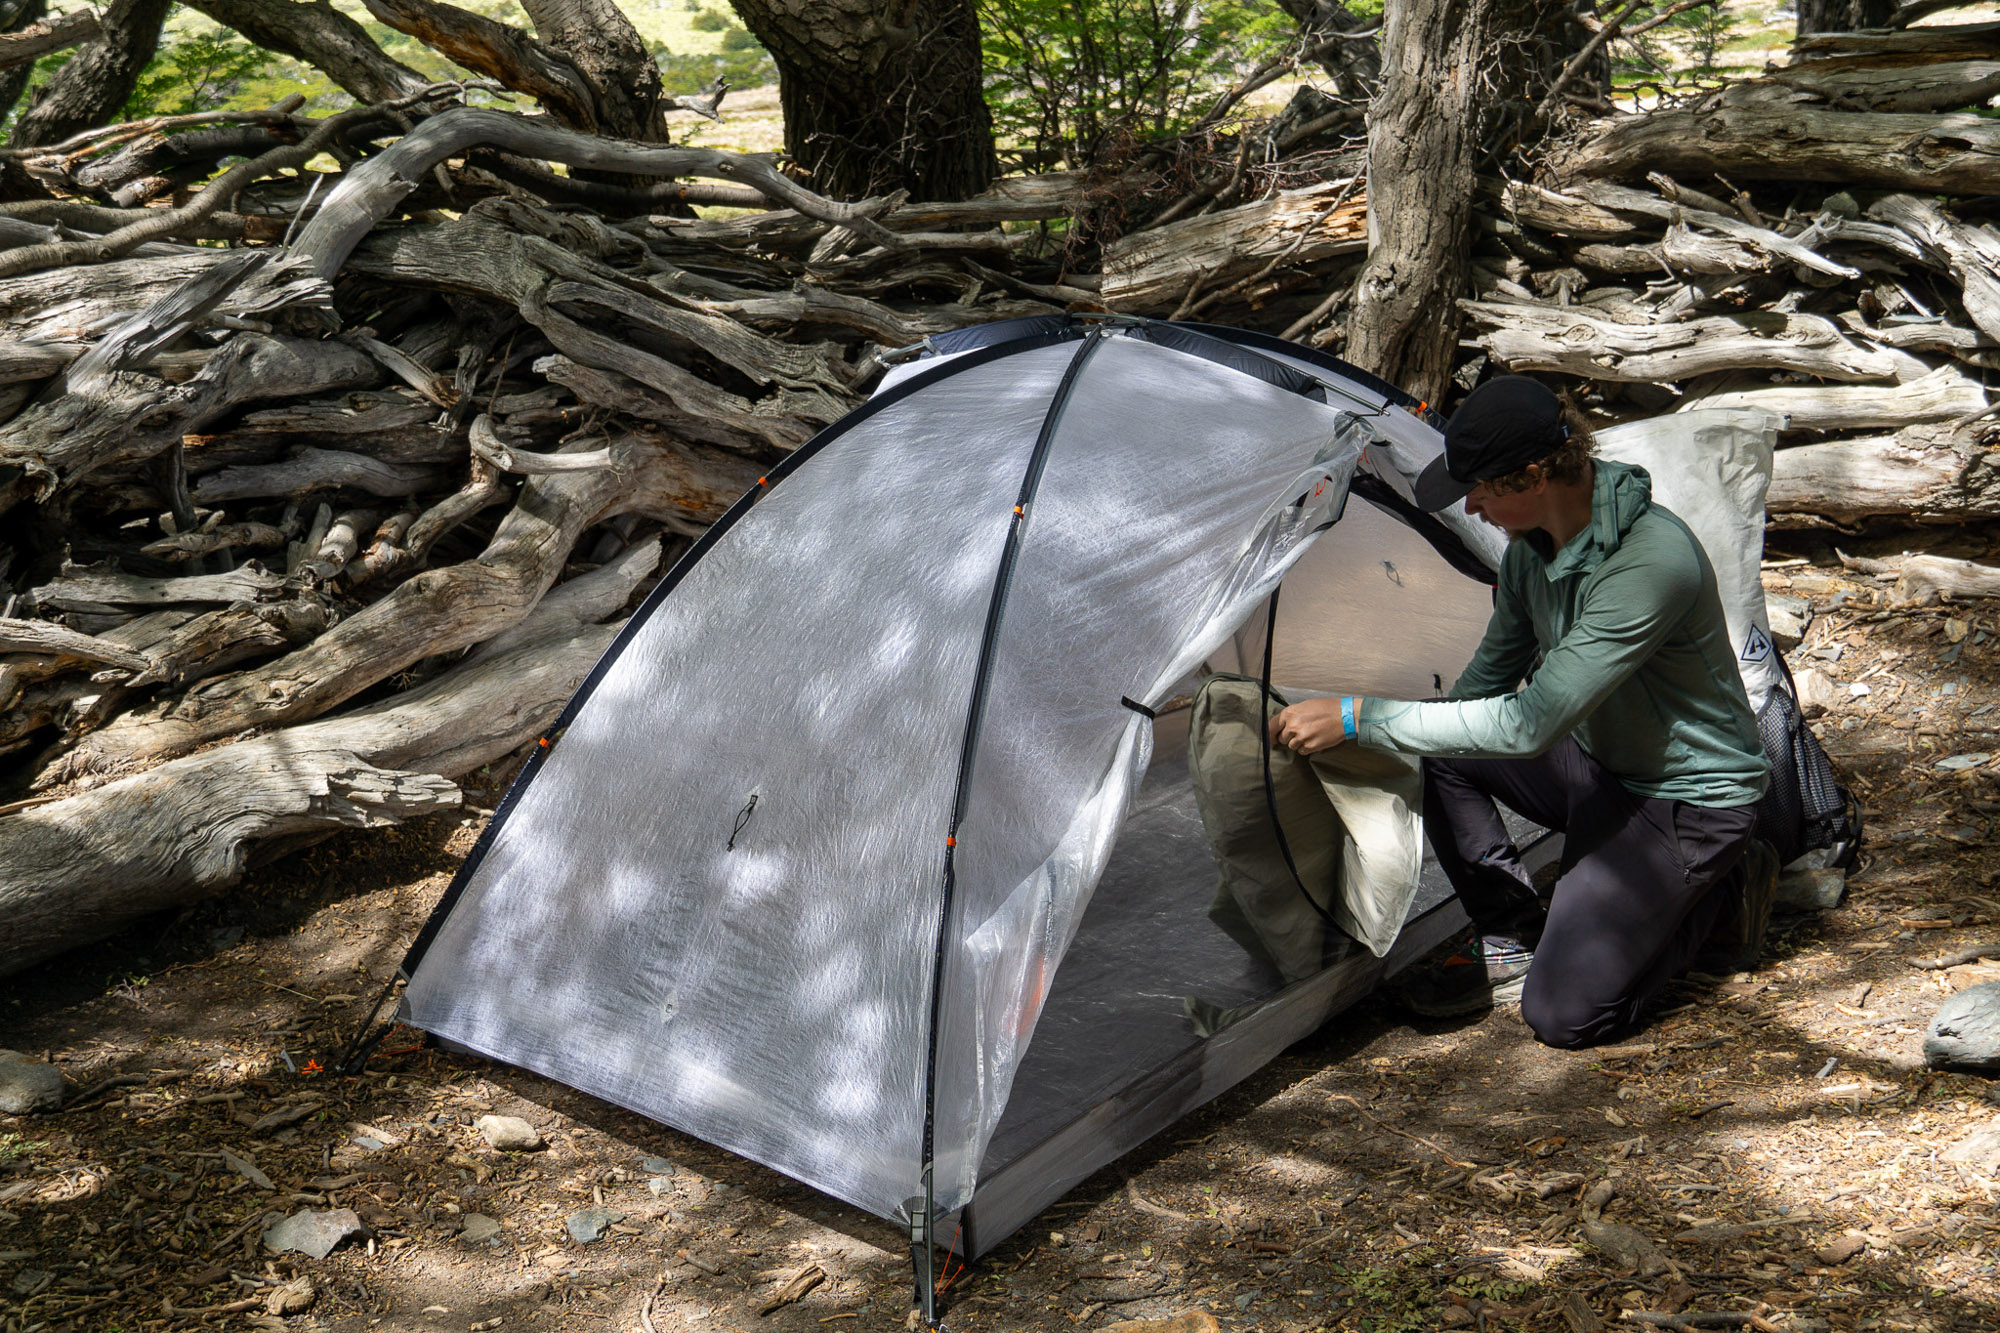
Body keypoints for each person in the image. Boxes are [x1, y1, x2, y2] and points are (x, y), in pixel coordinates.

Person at [1266, 376, 1770, 1049]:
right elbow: (1484, 687)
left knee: (1565, 1016)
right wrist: (1386, 730)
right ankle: (1512, 935)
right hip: (1603, 767)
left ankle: (1717, 898)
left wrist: (1361, 715)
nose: (1470, 506)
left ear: (1533, 475)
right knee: (1447, 743)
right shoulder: (1535, 546)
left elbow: (1531, 722)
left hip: (1687, 802)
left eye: (1480, 487)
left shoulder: (1649, 562)